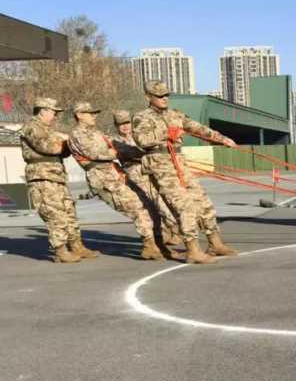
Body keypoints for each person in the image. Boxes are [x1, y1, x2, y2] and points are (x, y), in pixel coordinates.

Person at [132, 80, 238, 264]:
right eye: (159, 95)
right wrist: (166, 134)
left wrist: (222, 139)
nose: (164, 98)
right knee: (184, 206)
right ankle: (193, 250)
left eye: (166, 95)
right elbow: (142, 140)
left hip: (179, 162)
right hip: (160, 165)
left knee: (202, 201)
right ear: (148, 97)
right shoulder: (141, 117)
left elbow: (198, 128)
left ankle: (215, 243)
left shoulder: (175, 114)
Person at [68, 102, 165, 260]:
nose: (94, 116)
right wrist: (117, 152)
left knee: (146, 203)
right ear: (79, 115)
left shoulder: (96, 132)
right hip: (101, 176)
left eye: (94, 113)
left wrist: (148, 152)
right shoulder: (78, 134)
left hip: (113, 172)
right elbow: (96, 153)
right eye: (90, 113)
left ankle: (156, 243)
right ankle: (149, 246)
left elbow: (118, 148)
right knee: (137, 207)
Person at [19, 97, 99, 263]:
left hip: (57, 176)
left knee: (69, 212)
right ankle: (60, 251)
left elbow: (62, 151)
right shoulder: (32, 127)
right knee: (55, 214)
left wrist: (66, 145)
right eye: (53, 112)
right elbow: (49, 147)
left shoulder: (49, 130)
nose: (55, 116)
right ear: (43, 111)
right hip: (42, 177)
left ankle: (76, 246)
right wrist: (69, 143)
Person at [111, 109, 182, 246]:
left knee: (161, 200)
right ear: (116, 126)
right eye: (121, 124)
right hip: (133, 172)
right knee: (148, 204)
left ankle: (174, 230)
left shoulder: (139, 136)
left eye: (127, 123)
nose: (125, 126)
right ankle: (161, 233)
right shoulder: (115, 140)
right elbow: (126, 153)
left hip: (150, 168)